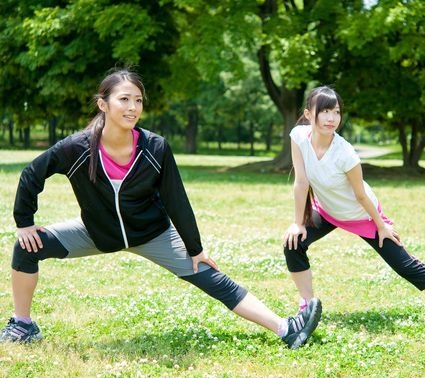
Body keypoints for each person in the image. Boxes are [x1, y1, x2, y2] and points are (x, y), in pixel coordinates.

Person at [1, 68, 321, 349]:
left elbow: (175, 199)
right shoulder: (77, 148)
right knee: (27, 248)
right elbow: (32, 174)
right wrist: (25, 222)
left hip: (152, 233)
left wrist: (195, 248)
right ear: (103, 104)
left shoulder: (155, 147)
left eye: (138, 100)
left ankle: (286, 329)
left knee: (209, 275)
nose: (133, 107)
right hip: (98, 232)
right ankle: (23, 325)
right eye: (124, 99)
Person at [283, 86, 425, 313]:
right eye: (325, 111)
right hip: (328, 211)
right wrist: (298, 223)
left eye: (336, 112)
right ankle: (307, 305)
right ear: (309, 114)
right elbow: (301, 182)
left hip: (361, 214)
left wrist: (382, 226)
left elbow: (360, 195)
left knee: (406, 267)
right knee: (293, 243)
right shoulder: (298, 137)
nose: (332, 118)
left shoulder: (345, 153)